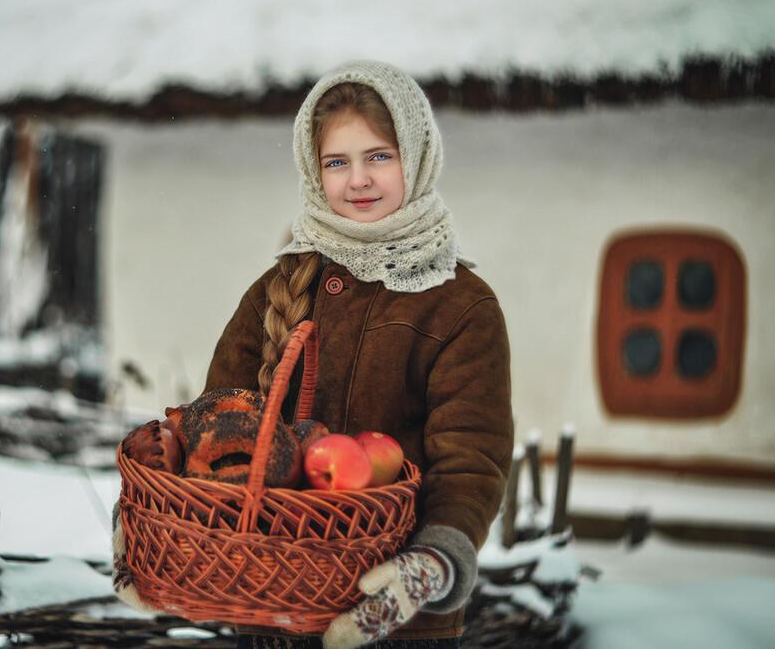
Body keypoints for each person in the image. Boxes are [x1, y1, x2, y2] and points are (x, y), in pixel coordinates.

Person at [115, 60, 513, 649]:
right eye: (337, 162)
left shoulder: (460, 305)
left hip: (397, 616)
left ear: (419, 155)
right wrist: (158, 518)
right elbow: (215, 431)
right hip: (271, 603)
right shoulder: (277, 289)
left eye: (380, 155)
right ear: (312, 169)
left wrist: (433, 562)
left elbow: (470, 459)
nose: (359, 180)